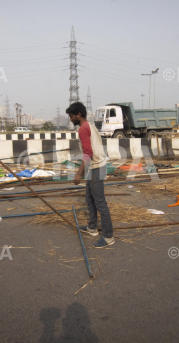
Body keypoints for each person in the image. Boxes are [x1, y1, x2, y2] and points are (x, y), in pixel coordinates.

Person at [66, 102, 114, 248]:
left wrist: (79, 174)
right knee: (89, 198)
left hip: (96, 167)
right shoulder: (90, 125)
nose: (70, 119)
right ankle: (92, 227)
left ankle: (108, 236)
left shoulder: (83, 129)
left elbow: (88, 153)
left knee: (100, 202)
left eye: (72, 116)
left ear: (78, 115)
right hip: (96, 166)